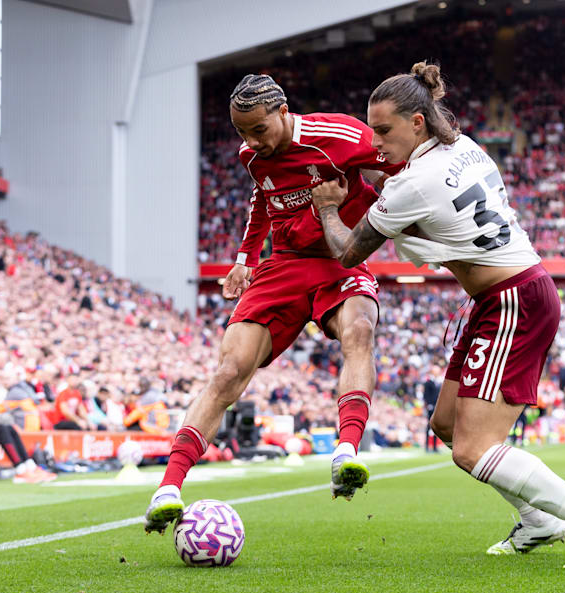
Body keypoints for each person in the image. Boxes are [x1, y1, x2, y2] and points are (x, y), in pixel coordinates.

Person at [309, 62, 565, 569]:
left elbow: (349, 254)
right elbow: (401, 182)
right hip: (505, 294)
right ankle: (539, 521)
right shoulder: (464, 146)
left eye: (384, 130)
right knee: (446, 424)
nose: (375, 143)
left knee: (472, 448)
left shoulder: (411, 185)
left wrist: (328, 209)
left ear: (417, 122)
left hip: (513, 299)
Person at [144, 74, 401, 534]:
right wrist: (244, 259)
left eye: (258, 129)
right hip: (282, 266)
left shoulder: (338, 136)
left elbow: (404, 162)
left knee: (359, 330)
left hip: (339, 258)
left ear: (283, 113)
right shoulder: (253, 156)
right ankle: (168, 488)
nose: (250, 141)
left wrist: (383, 204)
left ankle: (346, 451)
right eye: (241, 132)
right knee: (228, 372)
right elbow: (262, 203)